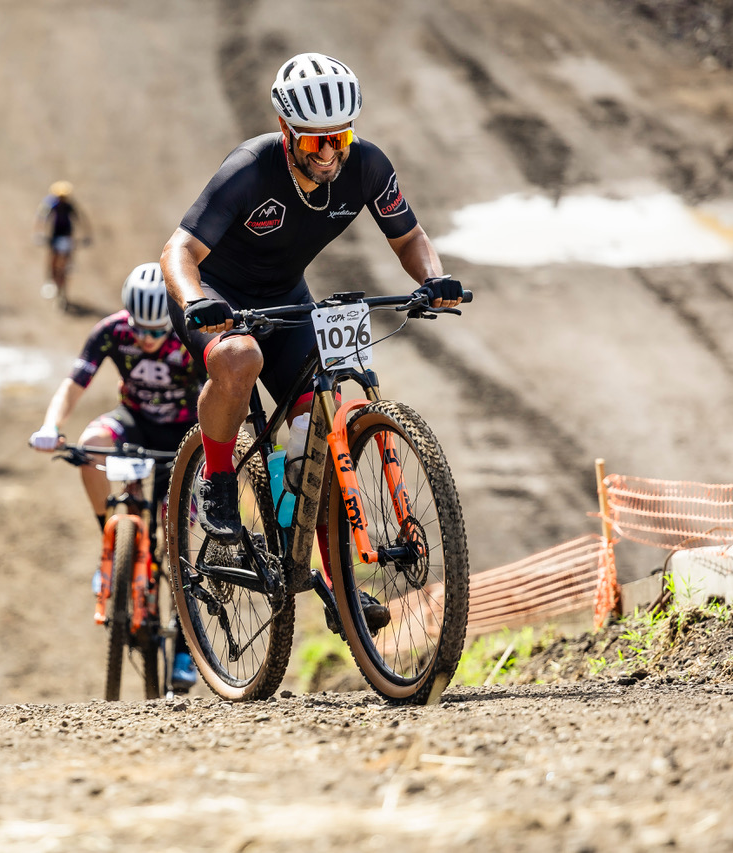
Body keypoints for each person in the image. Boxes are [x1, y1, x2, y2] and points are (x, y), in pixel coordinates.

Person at [159, 53, 465, 632]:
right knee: (240, 356)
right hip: (216, 296)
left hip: (286, 298)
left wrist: (431, 280)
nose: (328, 152)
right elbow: (177, 252)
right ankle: (218, 480)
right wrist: (197, 301)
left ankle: (339, 591)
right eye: (314, 141)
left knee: (314, 433)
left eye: (338, 136)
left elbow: (410, 236)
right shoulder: (250, 168)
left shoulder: (367, 165)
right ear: (286, 132)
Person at [29, 262, 204, 690]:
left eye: (156, 330)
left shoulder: (189, 337)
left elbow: (217, 393)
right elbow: (75, 382)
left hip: (183, 432)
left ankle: (185, 648)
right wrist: (52, 426)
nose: (145, 338)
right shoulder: (112, 332)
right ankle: (111, 545)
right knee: (90, 444)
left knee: (179, 538)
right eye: (139, 328)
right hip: (133, 422)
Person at [33, 180, 91, 307]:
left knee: (66, 264)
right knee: (53, 260)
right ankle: (50, 281)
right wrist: (40, 233)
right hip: (55, 236)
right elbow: (42, 217)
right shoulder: (51, 204)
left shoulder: (70, 206)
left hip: (66, 237)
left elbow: (81, 219)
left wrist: (87, 234)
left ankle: (63, 290)